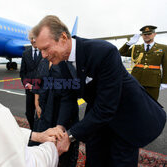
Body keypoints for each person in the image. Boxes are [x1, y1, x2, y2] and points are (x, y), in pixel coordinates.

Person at [31, 15, 166, 167]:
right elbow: (68, 97)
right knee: (94, 159)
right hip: (96, 119)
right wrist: (60, 127)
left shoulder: (104, 52)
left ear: (63, 37)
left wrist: (69, 136)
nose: (43, 55)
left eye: (46, 48)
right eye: (40, 50)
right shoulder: (61, 62)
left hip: (125, 117)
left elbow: (107, 106)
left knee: (119, 161)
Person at [34, 58, 80, 167]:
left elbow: (72, 92)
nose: (43, 53)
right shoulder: (43, 61)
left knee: (66, 149)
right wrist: (37, 104)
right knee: (44, 143)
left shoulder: (67, 62)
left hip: (65, 109)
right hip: (47, 108)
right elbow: (38, 82)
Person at [119, 25, 167, 100]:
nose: (146, 36)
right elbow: (120, 53)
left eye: (149, 34)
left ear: (154, 34)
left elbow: (166, 65)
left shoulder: (163, 48)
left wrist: (165, 82)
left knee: (152, 104)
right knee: (136, 102)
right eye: (144, 34)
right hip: (137, 80)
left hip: (153, 82)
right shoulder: (136, 48)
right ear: (142, 35)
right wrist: (129, 43)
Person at [20, 31, 42, 130]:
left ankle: (40, 129)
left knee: (41, 111)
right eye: (31, 38)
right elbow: (22, 72)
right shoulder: (25, 53)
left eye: (35, 38)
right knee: (29, 112)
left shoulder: (44, 51)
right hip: (29, 89)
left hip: (41, 89)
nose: (33, 40)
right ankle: (33, 130)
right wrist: (26, 84)